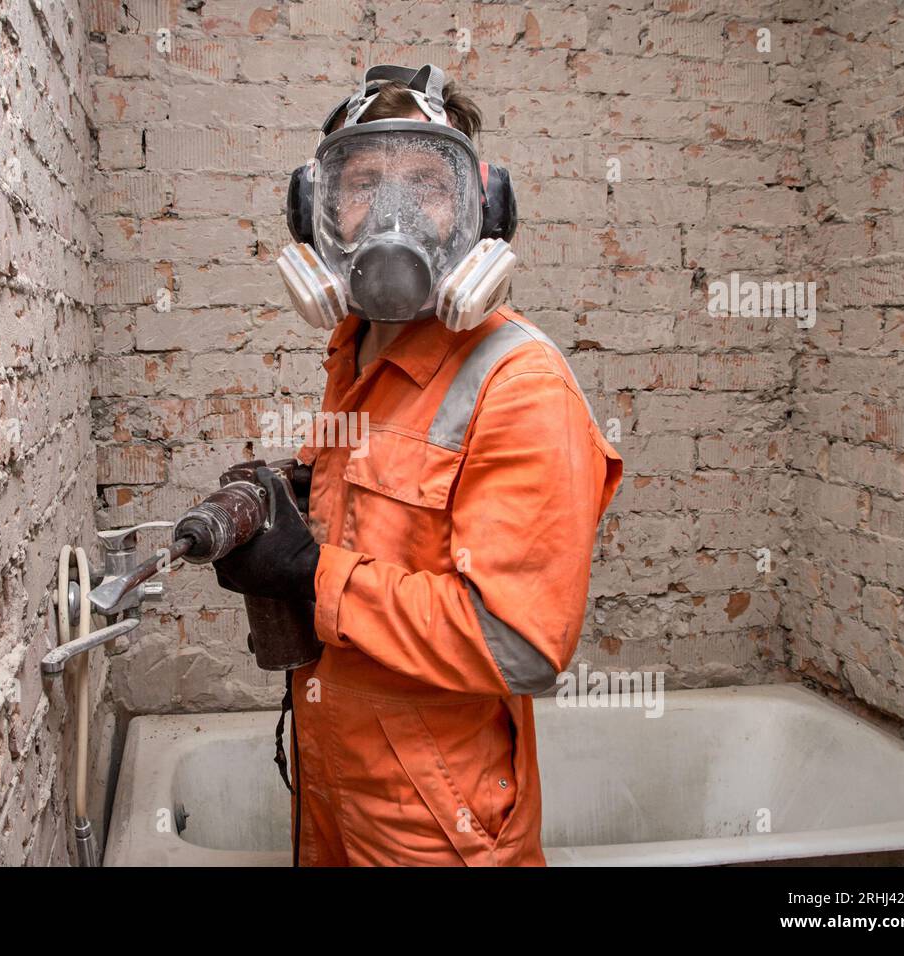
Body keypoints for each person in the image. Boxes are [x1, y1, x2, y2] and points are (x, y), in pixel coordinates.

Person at [213, 64, 624, 866]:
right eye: (363, 181)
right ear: (317, 211)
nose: (393, 211)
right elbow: (389, 513)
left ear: (482, 207)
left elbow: (519, 644)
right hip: (335, 782)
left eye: (426, 183)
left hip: (438, 824)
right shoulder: (356, 351)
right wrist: (301, 498)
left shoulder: (520, 382)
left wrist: (310, 574)